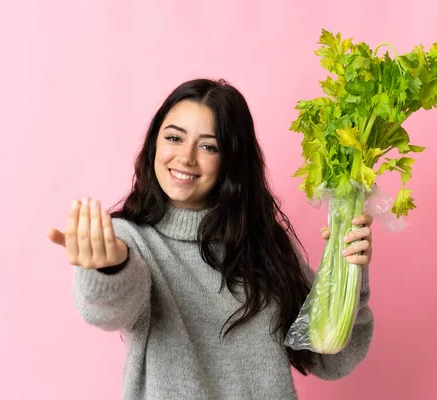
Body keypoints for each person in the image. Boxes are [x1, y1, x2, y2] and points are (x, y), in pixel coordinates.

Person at [47, 78, 375, 400]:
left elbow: (333, 362)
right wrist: (109, 269)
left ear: (231, 159)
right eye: (174, 138)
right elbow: (108, 310)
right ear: (154, 145)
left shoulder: (267, 244)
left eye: (208, 146)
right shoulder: (131, 241)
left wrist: (348, 272)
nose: (186, 158)